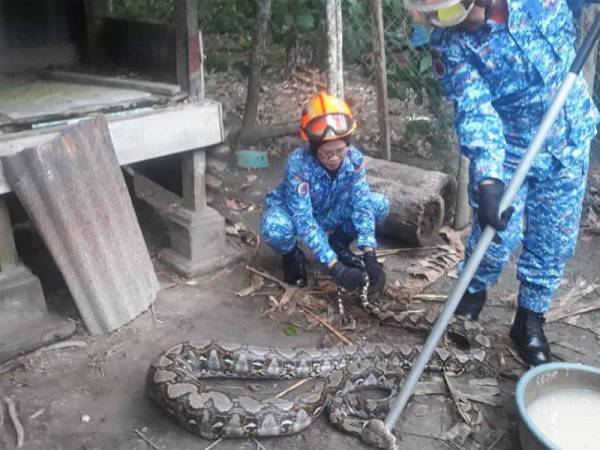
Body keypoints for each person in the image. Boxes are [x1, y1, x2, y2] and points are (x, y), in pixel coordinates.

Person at [403, 0, 599, 365]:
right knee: (494, 239)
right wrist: (490, 178)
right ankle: (468, 302)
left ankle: (529, 322)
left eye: (442, 14)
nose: (436, 24)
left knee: (553, 241)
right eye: (425, 16)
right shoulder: (450, 45)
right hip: (509, 150)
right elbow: (475, 109)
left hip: (569, 139)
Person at [261, 92, 389, 295]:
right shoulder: (297, 164)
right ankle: (292, 254)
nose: (334, 158)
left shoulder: (354, 160)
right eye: (326, 153)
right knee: (274, 228)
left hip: (330, 212)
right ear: (313, 148)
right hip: (297, 215)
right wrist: (335, 267)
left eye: (339, 150)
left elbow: (362, 204)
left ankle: (338, 242)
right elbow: (304, 220)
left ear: (348, 143)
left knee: (379, 204)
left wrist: (370, 255)